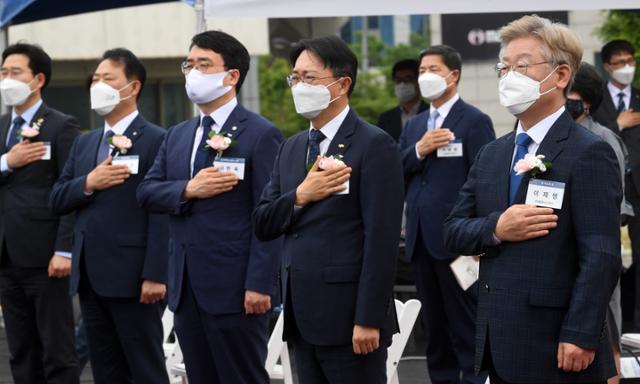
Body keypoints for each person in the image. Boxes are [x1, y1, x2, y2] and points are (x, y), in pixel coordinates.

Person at [444, 15, 621, 384]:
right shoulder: (493, 154)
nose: (508, 77)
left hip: (558, 343)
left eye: (521, 66)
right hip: (498, 338)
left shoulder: (589, 152)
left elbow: (601, 255)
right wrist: (497, 227)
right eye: (503, 67)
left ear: (560, 76)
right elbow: (453, 231)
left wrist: (580, 333)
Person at [253, 35, 404, 384]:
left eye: (310, 78)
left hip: (351, 318)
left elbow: (380, 242)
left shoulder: (374, 145)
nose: (299, 86)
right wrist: (301, 195)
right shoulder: (291, 148)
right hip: (301, 316)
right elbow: (263, 221)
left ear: (342, 84)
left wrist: (368, 318)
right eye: (295, 77)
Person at [137, 30, 283, 384]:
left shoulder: (260, 133)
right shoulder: (178, 134)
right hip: (185, 286)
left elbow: (270, 217)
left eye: (204, 65)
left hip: (236, 287)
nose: (193, 73)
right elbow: (146, 192)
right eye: (189, 64)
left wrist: (260, 284)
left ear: (231, 76)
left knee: (240, 375)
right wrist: (189, 188)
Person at [49, 48, 169, 384]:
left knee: (145, 367)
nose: (98, 85)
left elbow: (161, 211)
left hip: (134, 277)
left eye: (108, 78)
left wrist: (156, 274)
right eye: (95, 79)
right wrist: (88, 182)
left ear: (133, 88)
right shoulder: (85, 144)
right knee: (105, 369)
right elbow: (57, 198)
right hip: (90, 274)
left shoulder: (157, 140)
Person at [399, 44, 495, 384]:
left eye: (433, 70)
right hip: (421, 240)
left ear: (453, 75)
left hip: (459, 244)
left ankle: (475, 379)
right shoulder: (415, 125)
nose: (425, 77)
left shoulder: (474, 121)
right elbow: (397, 169)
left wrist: (482, 240)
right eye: (422, 70)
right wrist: (419, 149)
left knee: (466, 323)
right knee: (435, 328)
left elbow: (487, 183)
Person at [0, 42, 79, 384]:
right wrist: (7, 162)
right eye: (3, 72)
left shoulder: (61, 126)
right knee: (20, 348)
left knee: (56, 349)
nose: (7, 79)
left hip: (46, 257)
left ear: (38, 80)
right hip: (6, 255)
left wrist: (64, 249)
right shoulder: (1, 124)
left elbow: (71, 191)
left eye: (15, 72)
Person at [568, 61, 632, 384]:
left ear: (588, 100)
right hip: (563, 253)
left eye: (571, 93)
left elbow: (615, 203)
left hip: (599, 246)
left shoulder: (604, 140)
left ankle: (613, 373)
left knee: (605, 312)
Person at [593, 40, 640, 333]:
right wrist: (617, 124)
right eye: (620, 62)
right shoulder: (596, 101)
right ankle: (615, 329)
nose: (626, 67)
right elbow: (593, 136)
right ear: (608, 65)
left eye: (630, 61)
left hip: (638, 193)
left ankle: (637, 327)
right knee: (612, 261)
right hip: (608, 191)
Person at [377, 59, 428, 141]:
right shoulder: (385, 118)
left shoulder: (431, 114)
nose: (402, 84)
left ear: (419, 82)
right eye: (398, 80)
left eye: (408, 79)